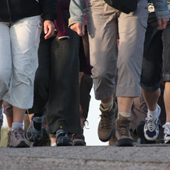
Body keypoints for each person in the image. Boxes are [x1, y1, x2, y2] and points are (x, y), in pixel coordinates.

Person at [69, 0, 170, 146]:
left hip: (134, 5)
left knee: (129, 60)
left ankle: (123, 121)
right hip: (99, 5)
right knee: (100, 70)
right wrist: (76, 11)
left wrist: (161, 8)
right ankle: (107, 108)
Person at [26, 0, 83, 147]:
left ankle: (61, 127)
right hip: (35, 16)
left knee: (63, 75)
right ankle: (37, 115)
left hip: (66, 16)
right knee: (38, 75)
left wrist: (78, 17)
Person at [0, 0, 56, 147]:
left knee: (23, 71)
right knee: (1, 72)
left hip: (28, 13)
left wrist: (49, 16)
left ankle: (17, 129)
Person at [140, 0, 170, 144]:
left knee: (169, 73)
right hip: (148, 13)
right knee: (148, 75)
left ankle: (169, 124)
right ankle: (152, 112)